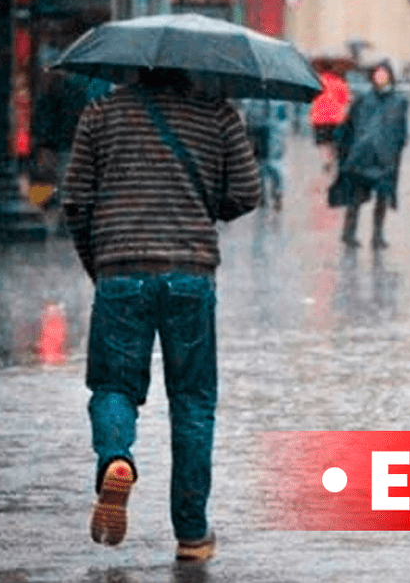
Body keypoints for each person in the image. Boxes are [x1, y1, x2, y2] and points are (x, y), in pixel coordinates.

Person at [62, 67, 260, 563]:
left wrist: (100, 263)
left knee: (113, 385)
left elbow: (75, 200)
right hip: (190, 273)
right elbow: (246, 193)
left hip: (120, 270)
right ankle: (192, 535)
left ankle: (116, 459)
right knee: (192, 402)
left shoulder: (101, 114)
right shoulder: (219, 114)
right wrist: (199, 202)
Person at [329, 61, 408, 248]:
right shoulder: (363, 99)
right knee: (355, 198)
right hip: (362, 156)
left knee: (382, 198)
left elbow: (400, 130)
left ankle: (377, 235)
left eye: (383, 73)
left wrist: (394, 149)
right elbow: (349, 125)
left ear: (390, 76)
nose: (380, 77)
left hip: (385, 158)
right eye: (377, 73)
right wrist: (348, 147)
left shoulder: (398, 101)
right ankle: (349, 233)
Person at [308, 58, 353, 173]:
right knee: (334, 141)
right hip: (336, 118)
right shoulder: (340, 82)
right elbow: (346, 100)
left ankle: (326, 161)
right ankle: (333, 160)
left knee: (323, 142)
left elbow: (310, 98)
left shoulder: (317, 81)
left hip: (319, 118)